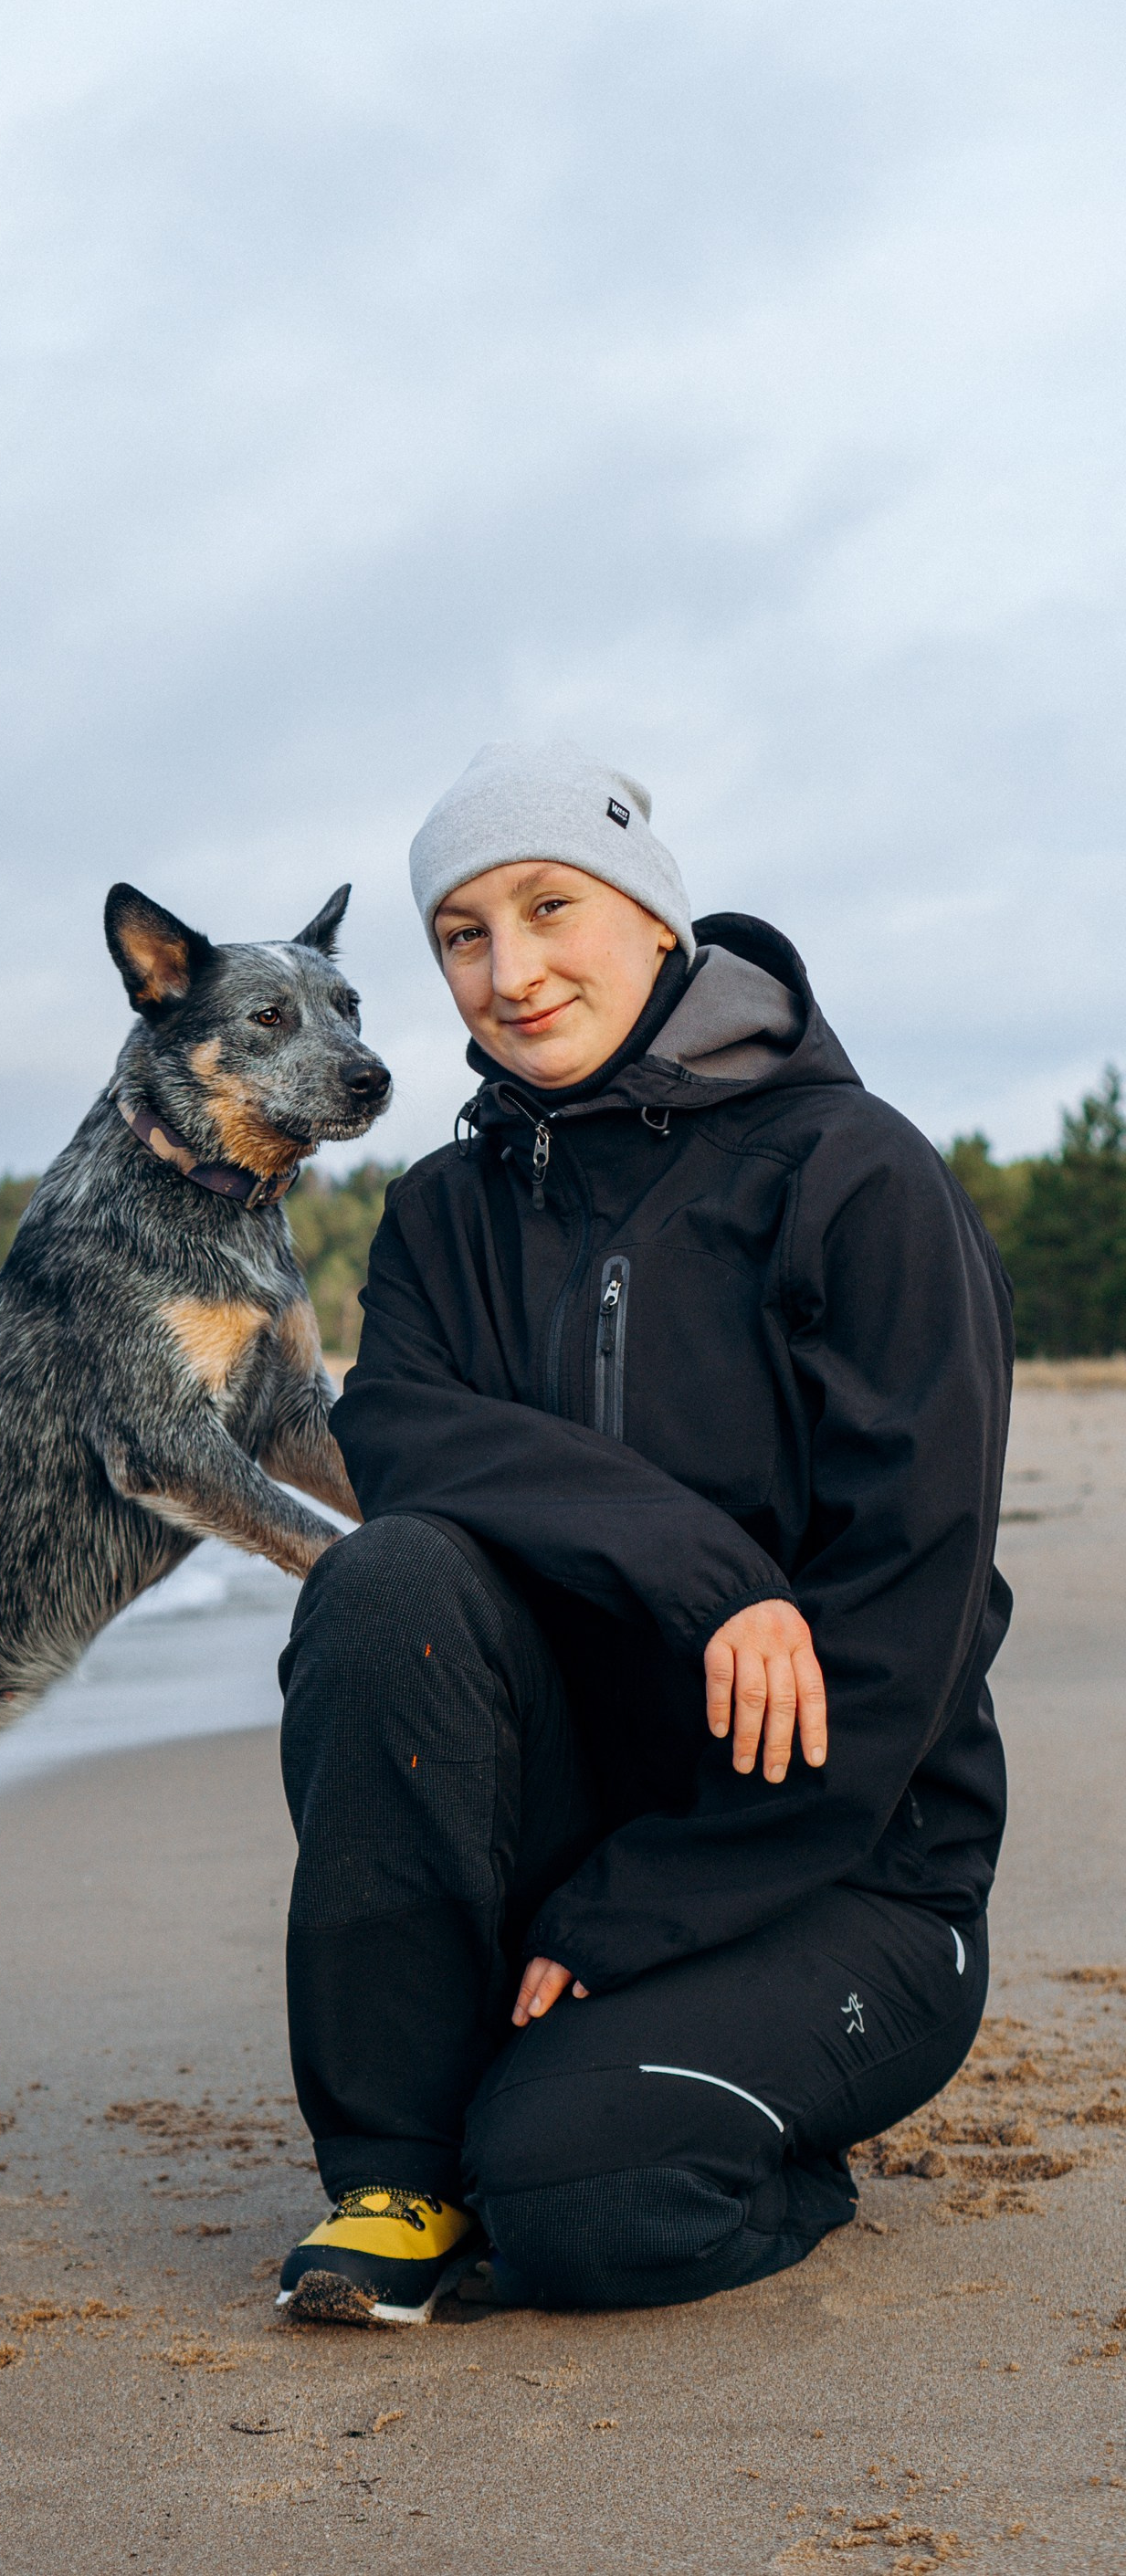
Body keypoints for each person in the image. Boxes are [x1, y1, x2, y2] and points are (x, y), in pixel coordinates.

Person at [273, 746, 1011, 2324]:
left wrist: (639, 1914)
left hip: (852, 1880)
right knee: (384, 1581)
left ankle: (756, 2154)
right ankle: (395, 2172)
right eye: (462, 935)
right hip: (569, 1848)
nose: (512, 971)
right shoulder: (443, 1216)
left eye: (551, 908)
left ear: (655, 920)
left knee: (579, 2205)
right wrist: (701, 1567)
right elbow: (395, 1431)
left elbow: (905, 1622)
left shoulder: (853, 1177)